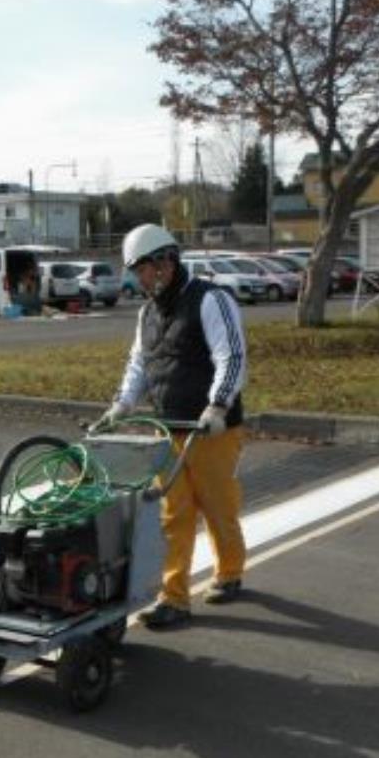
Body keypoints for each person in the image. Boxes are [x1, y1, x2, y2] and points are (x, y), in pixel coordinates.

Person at [102, 223, 248, 630]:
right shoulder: (147, 312)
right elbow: (139, 364)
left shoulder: (210, 299)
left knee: (219, 507)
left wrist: (218, 406)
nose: (137, 277)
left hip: (212, 428)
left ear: (164, 262)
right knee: (171, 514)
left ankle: (230, 572)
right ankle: (174, 597)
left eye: (140, 268)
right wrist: (122, 404)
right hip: (167, 429)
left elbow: (231, 356)